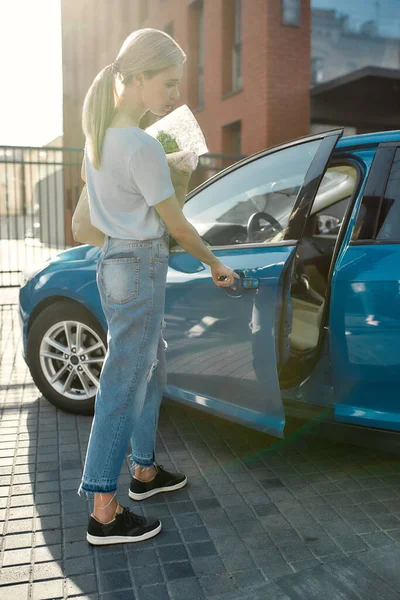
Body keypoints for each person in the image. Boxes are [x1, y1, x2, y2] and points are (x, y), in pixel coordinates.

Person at [77, 29, 238, 546]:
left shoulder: (99, 138)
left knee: (149, 361)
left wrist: (166, 168)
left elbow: (102, 211)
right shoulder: (141, 144)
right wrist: (216, 265)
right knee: (123, 381)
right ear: (138, 78)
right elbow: (179, 227)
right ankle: (104, 509)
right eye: (168, 84)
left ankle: (143, 474)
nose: (175, 96)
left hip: (115, 262)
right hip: (141, 265)